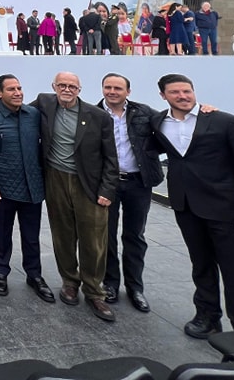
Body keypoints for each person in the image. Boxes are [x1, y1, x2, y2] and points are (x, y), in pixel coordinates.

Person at [150, 73, 234, 338]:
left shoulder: (226, 122)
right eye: (175, 92)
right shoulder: (158, 122)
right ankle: (207, 316)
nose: (183, 96)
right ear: (163, 95)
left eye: (187, 91)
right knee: (200, 265)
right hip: (186, 207)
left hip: (226, 209)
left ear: (193, 91)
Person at [32, 72, 118, 322]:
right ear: (54, 86)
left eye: (72, 86)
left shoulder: (98, 117)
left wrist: (106, 190)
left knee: (93, 240)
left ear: (79, 89)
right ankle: (70, 281)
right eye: (62, 85)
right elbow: (18, 110)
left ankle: (95, 292)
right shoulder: (45, 103)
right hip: (56, 179)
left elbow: (111, 157)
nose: (66, 89)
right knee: (63, 234)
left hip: (88, 184)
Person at [0, 75, 54, 304]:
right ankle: (1, 272)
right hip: (2, 188)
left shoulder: (33, 114)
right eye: (11, 89)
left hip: (32, 187)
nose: (18, 92)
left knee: (31, 236)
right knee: (2, 234)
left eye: (19, 88)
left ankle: (34, 275)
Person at [96, 73, 163, 313]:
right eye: (108, 87)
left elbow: (173, 122)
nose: (112, 91)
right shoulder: (93, 114)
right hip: (107, 184)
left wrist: (205, 110)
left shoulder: (145, 113)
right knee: (107, 236)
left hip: (138, 183)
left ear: (128, 91)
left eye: (118, 88)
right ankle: (110, 284)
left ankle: (135, 287)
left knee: (135, 236)